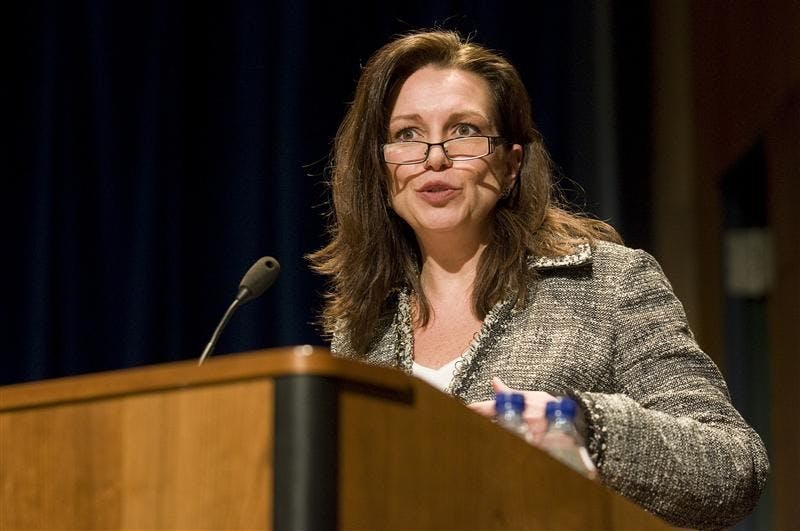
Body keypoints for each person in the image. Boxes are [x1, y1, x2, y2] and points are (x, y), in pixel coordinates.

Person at [308, 29, 768, 529]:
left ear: (510, 164)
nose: (434, 156)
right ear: (381, 168)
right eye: (407, 135)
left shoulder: (606, 283)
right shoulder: (360, 328)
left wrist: (579, 426)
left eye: (463, 130)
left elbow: (732, 468)